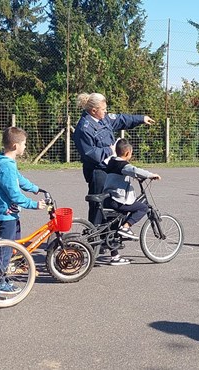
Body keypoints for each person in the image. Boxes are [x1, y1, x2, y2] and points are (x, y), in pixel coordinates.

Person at [73, 92, 155, 223]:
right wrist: (109, 150)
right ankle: (93, 238)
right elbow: (89, 153)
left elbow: (120, 119)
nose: (106, 112)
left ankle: (111, 238)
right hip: (98, 171)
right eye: (103, 109)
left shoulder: (103, 118)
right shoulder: (84, 128)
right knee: (98, 205)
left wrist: (141, 118)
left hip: (110, 167)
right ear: (94, 110)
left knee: (114, 202)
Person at [0, 127, 45, 295]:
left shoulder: (7, 163)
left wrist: (35, 188)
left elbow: (19, 179)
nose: (25, 147)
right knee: (6, 248)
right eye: (24, 144)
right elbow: (14, 193)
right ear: (15, 146)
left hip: (9, 212)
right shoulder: (5, 166)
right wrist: (34, 204)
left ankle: (4, 271)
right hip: (6, 213)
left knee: (14, 244)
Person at [102, 139, 161, 265]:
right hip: (118, 199)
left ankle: (115, 257)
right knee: (143, 207)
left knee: (113, 228)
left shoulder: (112, 161)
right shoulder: (123, 166)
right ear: (128, 153)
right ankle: (126, 227)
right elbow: (134, 170)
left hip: (108, 198)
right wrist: (151, 175)